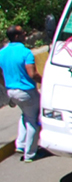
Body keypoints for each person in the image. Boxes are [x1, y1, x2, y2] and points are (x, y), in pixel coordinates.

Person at [0, 25, 42, 162]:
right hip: (27, 92)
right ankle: (29, 153)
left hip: (11, 91)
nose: (25, 34)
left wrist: (6, 86)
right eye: (23, 33)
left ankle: (21, 144)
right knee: (33, 121)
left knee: (25, 115)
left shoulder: (2, 53)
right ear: (17, 36)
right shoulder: (26, 53)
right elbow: (32, 73)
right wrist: (44, 81)